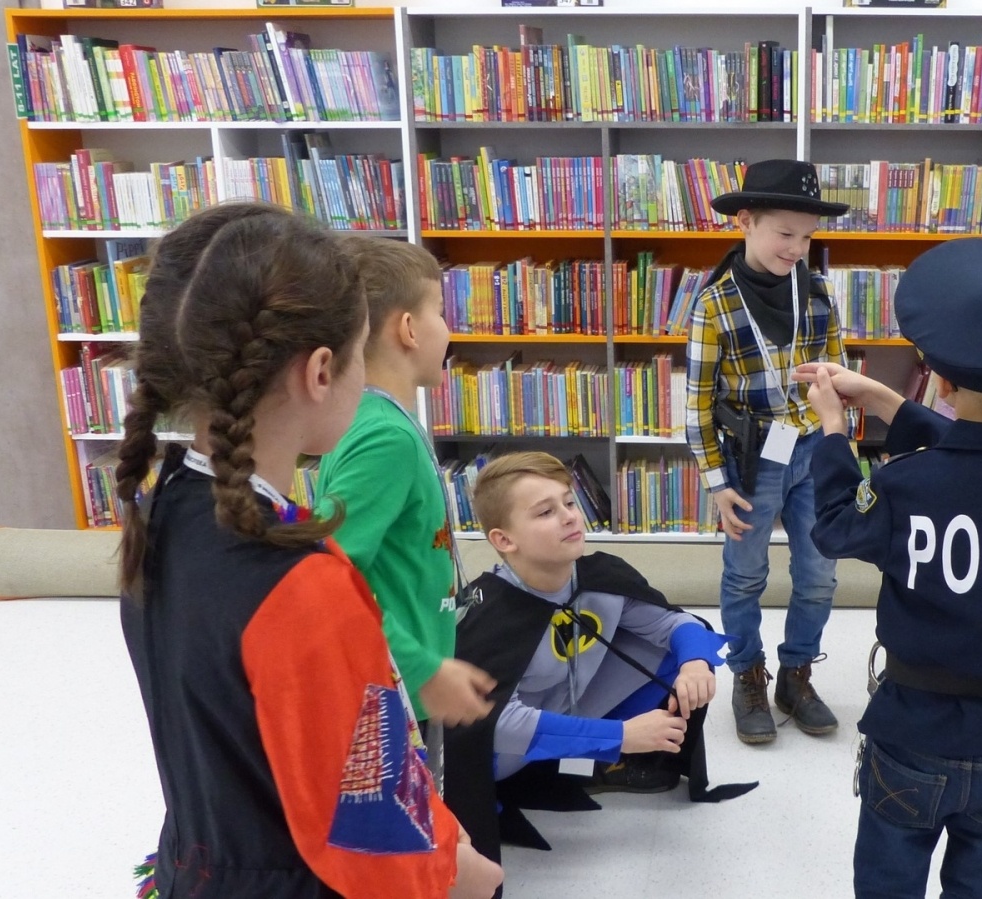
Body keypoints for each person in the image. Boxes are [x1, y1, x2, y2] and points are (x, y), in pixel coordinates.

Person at [116, 208, 500, 897]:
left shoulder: (165, 506)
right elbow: (369, 830)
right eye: (358, 354)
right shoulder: (304, 588)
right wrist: (457, 868)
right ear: (321, 370)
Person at [797, 237, 982, 899]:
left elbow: (836, 524)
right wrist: (883, 401)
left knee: (888, 884)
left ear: (943, 382)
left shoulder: (911, 487)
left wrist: (834, 430)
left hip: (913, 732)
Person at [442, 452, 755, 864]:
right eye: (545, 512)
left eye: (569, 502)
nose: (571, 517)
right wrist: (620, 736)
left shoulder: (599, 576)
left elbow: (675, 625)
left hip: (566, 713)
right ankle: (600, 753)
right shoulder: (487, 616)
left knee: (673, 648)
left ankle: (603, 764)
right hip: (500, 758)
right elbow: (494, 726)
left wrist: (696, 663)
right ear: (503, 540)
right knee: (495, 724)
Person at [316, 235, 494, 785]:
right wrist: (421, 668)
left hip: (405, 675)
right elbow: (330, 573)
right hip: (393, 688)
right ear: (409, 329)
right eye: (440, 312)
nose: (448, 330)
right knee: (409, 843)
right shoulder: (383, 438)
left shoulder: (376, 419)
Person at [686, 158, 850, 744]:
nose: (797, 248)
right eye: (784, 233)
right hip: (752, 457)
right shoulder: (715, 306)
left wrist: (837, 443)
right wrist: (714, 480)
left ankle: (796, 674)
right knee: (745, 573)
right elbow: (697, 404)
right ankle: (747, 675)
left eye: (807, 236)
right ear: (746, 222)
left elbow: (837, 374)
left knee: (819, 574)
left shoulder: (820, 291)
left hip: (810, 449)